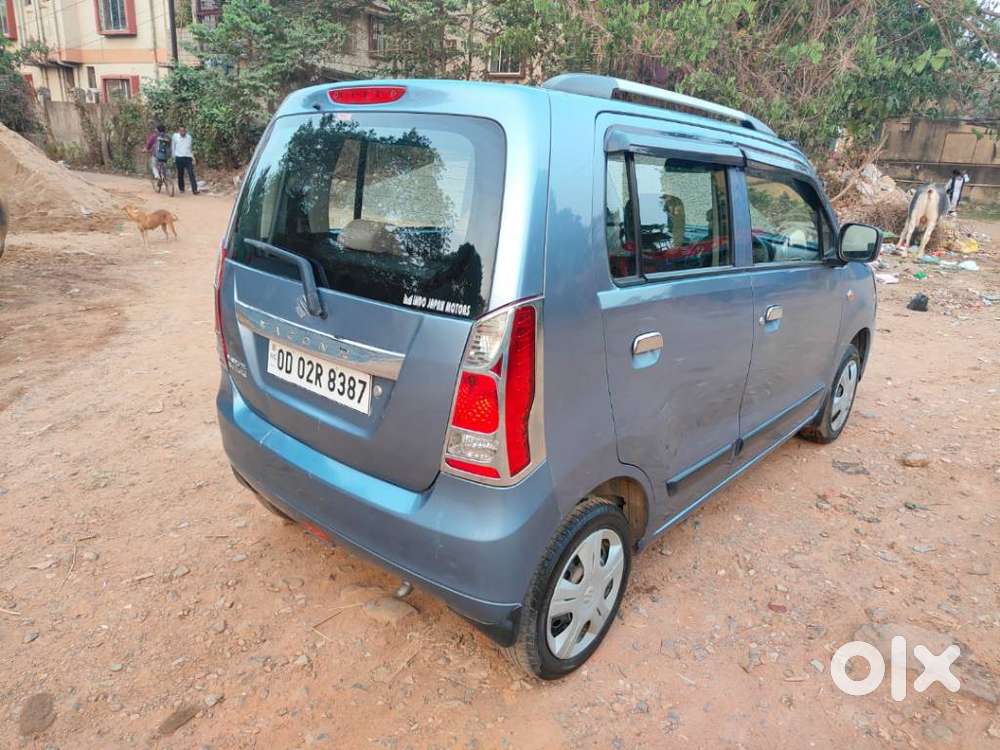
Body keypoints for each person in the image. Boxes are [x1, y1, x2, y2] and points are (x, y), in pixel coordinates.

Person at [171, 126, 199, 195]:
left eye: (184, 131)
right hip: (179, 157)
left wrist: (193, 157)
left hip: (188, 157)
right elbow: (173, 147)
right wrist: (173, 157)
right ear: (179, 131)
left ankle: (195, 189)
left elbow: (190, 148)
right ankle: (181, 188)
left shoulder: (189, 137)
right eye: (181, 131)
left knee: (191, 173)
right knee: (180, 173)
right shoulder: (175, 136)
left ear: (186, 131)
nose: (182, 132)